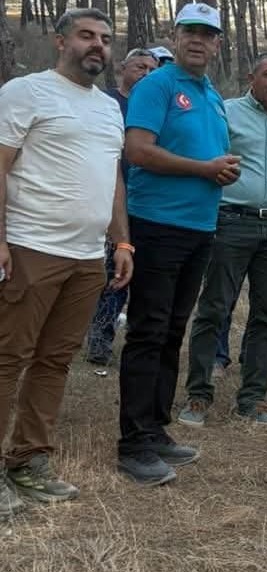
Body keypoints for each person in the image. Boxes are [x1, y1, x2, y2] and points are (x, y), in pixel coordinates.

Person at [0, 8, 129, 513]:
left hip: (84, 257)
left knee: (54, 362)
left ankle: (29, 463)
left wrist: (122, 242)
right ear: (60, 41)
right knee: (8, 359)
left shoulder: (109, 108)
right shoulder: (25, 92)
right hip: (32, 248)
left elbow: (111, 177)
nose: (97, 45)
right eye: (86, 36)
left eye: (105, 38)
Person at [117, 2, 238, 485]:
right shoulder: (156, 85)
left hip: (199, 227)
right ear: (175, 33)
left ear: (218, 44)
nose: (198, 40)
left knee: (173, 329)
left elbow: (207, 155)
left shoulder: (210, 93)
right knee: (148, 330)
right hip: (155, 224)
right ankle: (132, 442)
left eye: (208, 34)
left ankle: (156, 428)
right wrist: (204, 170)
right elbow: (138, 151)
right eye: (190, 31)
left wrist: (223, 169)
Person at [177, 54, 267, 429]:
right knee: (214, 308)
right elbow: (207, 162)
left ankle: (252, 398)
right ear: (250, 77)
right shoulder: (226, 112)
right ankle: (199, 395)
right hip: (231, 222)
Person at [85, 48, 158, 367]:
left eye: (152, 69)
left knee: (136, 273)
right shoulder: (105, 102)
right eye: (139, 67)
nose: (146, 73)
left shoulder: (157, 105)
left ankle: (134, 339)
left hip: (147, 201)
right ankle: (99, 339)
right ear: (122, 67)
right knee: (110, 273)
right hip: (106, 199)